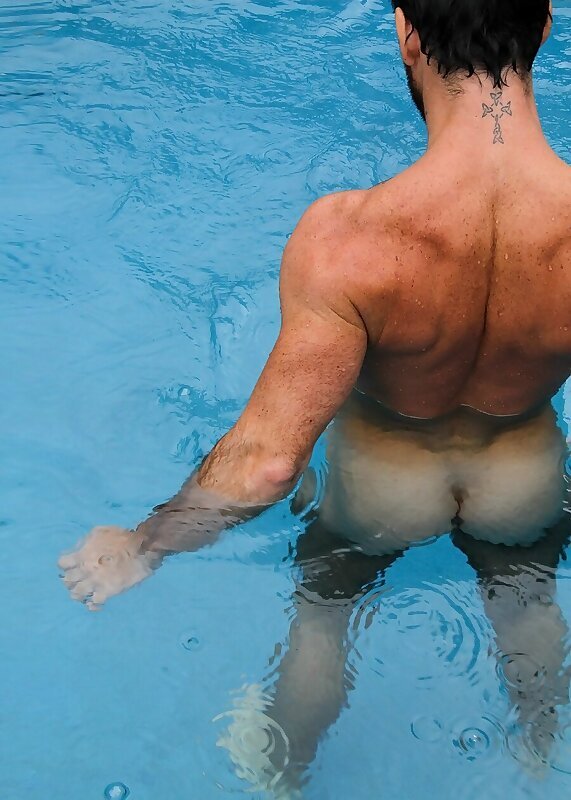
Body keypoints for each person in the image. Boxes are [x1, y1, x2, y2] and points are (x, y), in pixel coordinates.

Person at [60, 0, 570, 794]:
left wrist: (145, 543)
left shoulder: (349, 238)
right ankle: (539, 759)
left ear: (405, 31)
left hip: (380, 489)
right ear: (542, 26)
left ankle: (282, 772)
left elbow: (268, 463)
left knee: (324, 617)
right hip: (522, 477)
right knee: (528, 605)